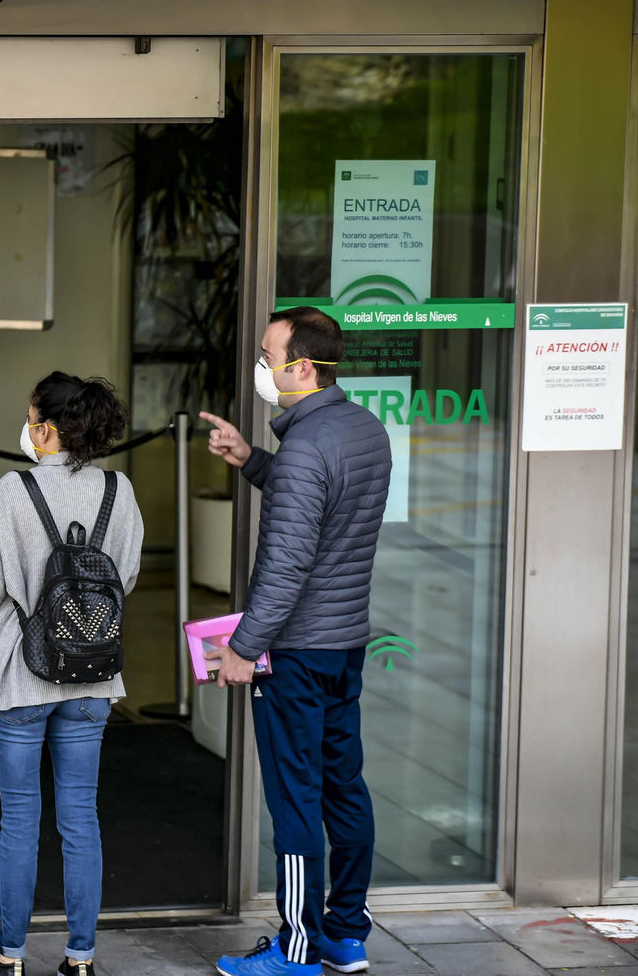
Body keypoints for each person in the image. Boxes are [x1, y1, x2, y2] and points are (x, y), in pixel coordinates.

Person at [0, 372, 143, 976]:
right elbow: (123, 581)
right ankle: (80, 959)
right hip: (94, 675)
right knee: (81, 817)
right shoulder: (119, 490)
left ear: (46, 427)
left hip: (22, 673)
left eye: (30, 417)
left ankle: (12, 956)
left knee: (19, 817)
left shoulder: (16, 490)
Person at [200, 307, 391, 976]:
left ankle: (297, 949)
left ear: (302, 366)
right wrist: (254, 461)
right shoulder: (362, 429)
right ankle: (346, 933)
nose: (261, 366)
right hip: (344, 646)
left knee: (295, 799)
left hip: (298, 655)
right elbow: (320, 507)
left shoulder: (309, 446)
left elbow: (286, 564)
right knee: (345, 787)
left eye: (267, 355)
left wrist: (244, 649)